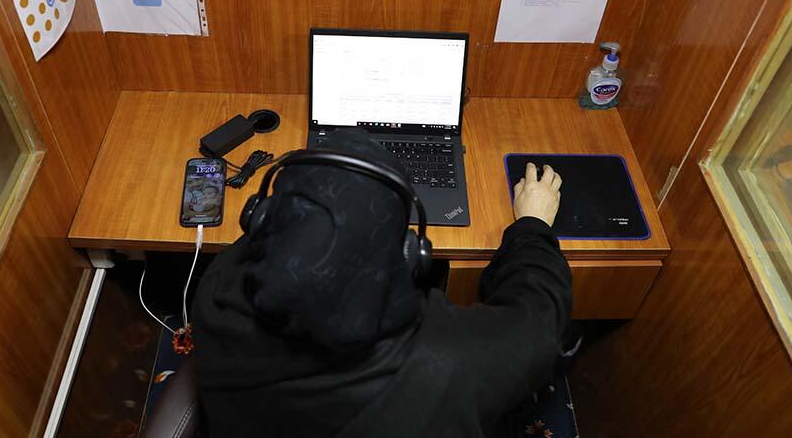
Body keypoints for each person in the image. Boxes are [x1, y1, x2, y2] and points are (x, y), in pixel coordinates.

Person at [192, 128, 571, 437]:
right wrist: (532, 226)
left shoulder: (216, 296)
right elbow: (540, 321)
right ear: (411, 254)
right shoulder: (451, 362)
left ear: (259, 218)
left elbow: (271, 240)